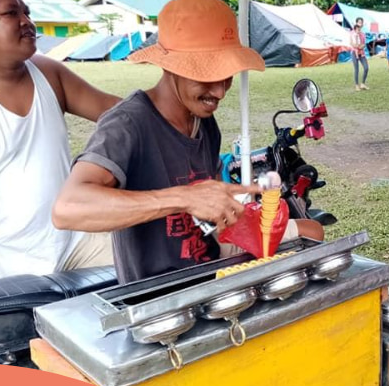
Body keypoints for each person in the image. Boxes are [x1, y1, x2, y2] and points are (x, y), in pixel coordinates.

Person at [52, 0, 278, 284]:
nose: (220, 91)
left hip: (206, 277)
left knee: (308, 235)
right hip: (157, 298)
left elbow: (199, 220)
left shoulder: (205, 123)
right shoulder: (128, 124)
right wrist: (183, 197)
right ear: (171, 67)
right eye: (208, 75)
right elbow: (68, 208)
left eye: (227, 75)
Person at [0, 0, 119, 304]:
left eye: (27, 11)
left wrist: (168, 104)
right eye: (11, 13)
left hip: (75, 244)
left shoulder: (47, 72)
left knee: (146, 278)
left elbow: (117, 115)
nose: (27, 21)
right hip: (4, 266)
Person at [350, 17, 369, 91]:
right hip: (354, 52)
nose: (360, 24)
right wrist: (356, 46)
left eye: (361, 22)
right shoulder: (352, 32)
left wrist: (361, 46)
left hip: (362, 53)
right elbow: (351, 43)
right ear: (356, 23)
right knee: (356, 69)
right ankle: (356, 85)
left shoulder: (363, 34)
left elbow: (364, 44)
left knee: (366, 68)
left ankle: (363, 84)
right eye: (359, 22)